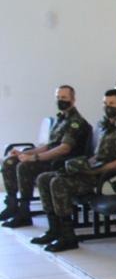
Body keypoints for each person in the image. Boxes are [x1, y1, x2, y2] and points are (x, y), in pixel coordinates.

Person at [32, 89, 116, 252]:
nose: (107, 107)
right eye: (105, 103)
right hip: (94, 171)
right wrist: (83, 166)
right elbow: (96, 156)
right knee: (44, 178)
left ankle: (68, 236)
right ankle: (54, 229)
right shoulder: (104, 125)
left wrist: (94, 171)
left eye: (112, 104)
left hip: (109, 178)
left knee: (58, 183)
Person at [1, 85, 90, 228]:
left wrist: (34, 158)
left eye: (64, 98)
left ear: (73, 100)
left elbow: (63, 148)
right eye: (58, 98)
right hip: (51, 158)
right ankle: (12, 204)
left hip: (62, 162)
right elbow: (49, 146)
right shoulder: (61, 119)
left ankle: (24, 212)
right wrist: (25, 153)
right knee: (11, 161)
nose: (61, 101)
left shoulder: (75, 122)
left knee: (25, 166)